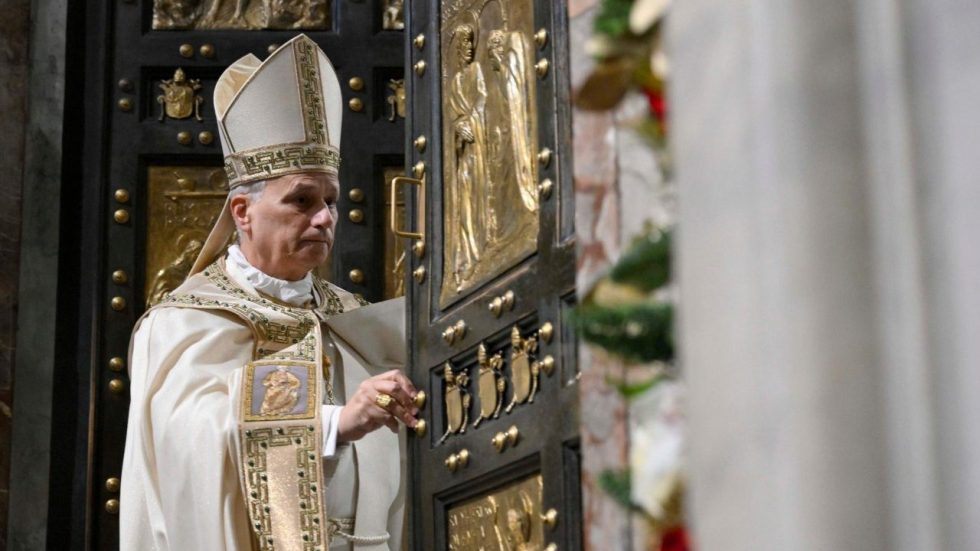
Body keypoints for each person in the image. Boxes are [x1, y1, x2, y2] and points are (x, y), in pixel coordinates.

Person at [121, 34, 418, 550]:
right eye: (302, 200)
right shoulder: (186, 320)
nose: (325, 218)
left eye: (329, 200)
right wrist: (333, 423)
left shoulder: (353, 317)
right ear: (243, 212)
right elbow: (185, 446)